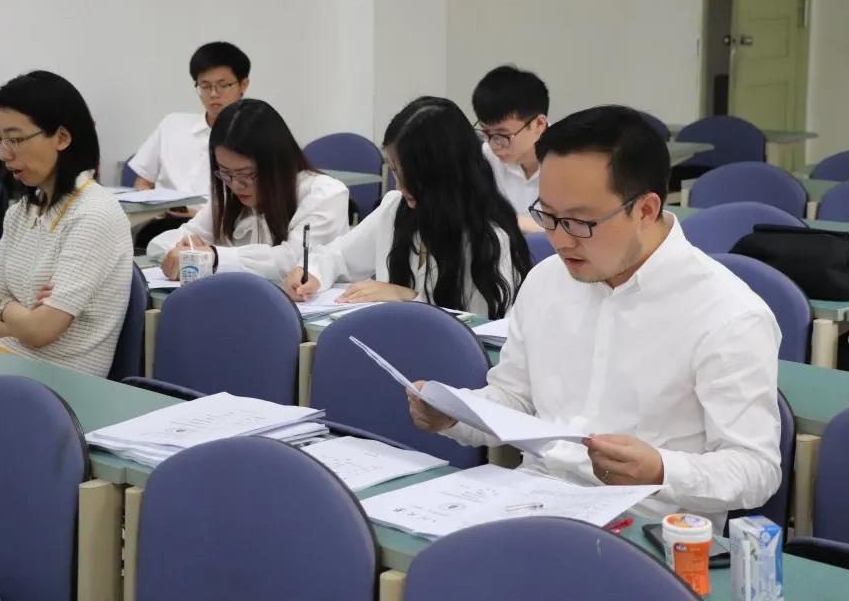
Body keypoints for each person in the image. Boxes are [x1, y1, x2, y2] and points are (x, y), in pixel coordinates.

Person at [408, 105, 782, 529]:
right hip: (532, 505)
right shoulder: (546, 281)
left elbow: (756, 469)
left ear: (645, 209)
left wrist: (661, 468)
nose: (559, 240)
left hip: (647, 528)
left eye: (580, 222)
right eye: (548, 216)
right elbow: (514, 401)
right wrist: (454, 415)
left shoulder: (727, 313)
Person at [284, 96, 532, 320]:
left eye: (411, 176)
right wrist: (310, 272)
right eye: (394, 171)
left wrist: (407, 297)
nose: (400, 186)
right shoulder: (395, 208)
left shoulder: (489, 237)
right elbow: (339, 256)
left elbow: (479, 326)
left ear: (444, 173)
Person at [0, 71, 133, 377]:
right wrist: (24, 316)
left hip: (62, 383)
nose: (4, 153)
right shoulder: (21, 212)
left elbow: (41, 330)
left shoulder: (94, 214)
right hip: (5, 365)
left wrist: (5, 307)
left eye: (15, 139)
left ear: (62, 138)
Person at [148, 98, 349, 281]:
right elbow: (162, 244)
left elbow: (292, 261)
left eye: (246, 174)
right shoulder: (230, 198)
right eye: (225, 172)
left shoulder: (325, 194)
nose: (235, 185)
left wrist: (214, 257)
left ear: (275, 163)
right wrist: (181, 253)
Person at [129, 41, 250, 248]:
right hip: (162, 226)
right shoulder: (172, 125)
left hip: (221, 232)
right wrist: (153, 206)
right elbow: (142, 182)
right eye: (205, 86)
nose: (213, 94)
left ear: (243, 85)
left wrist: (199, 216)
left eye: (223, 85)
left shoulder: (253, 135)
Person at [472, 65, 549, 233]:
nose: (494, 145)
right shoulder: (487, 156)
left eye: (503, 135)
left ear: (539, 124)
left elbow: (578, 228)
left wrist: (512, 222)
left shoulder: (570, 161)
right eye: (486, 132)